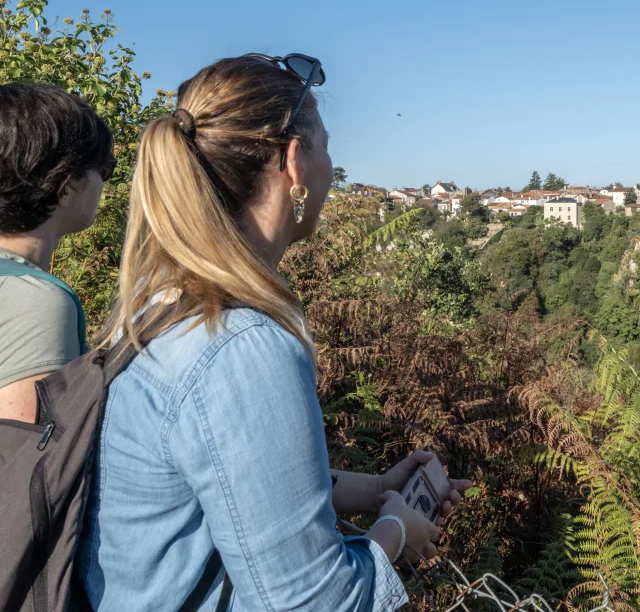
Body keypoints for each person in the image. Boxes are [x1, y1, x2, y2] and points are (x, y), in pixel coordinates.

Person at [77, 54, 470, 611]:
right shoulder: (240, 345)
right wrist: (395, 531)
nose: (333, 165)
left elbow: (216, 477)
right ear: (293, 163)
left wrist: (376, 490)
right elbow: (314, 602)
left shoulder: (161, 304)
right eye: (326, 145)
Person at [0, 82, 115, 422]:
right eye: (104, 169)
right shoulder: (35, 302)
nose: (104, 184)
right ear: (66, 185)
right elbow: (24, 463)